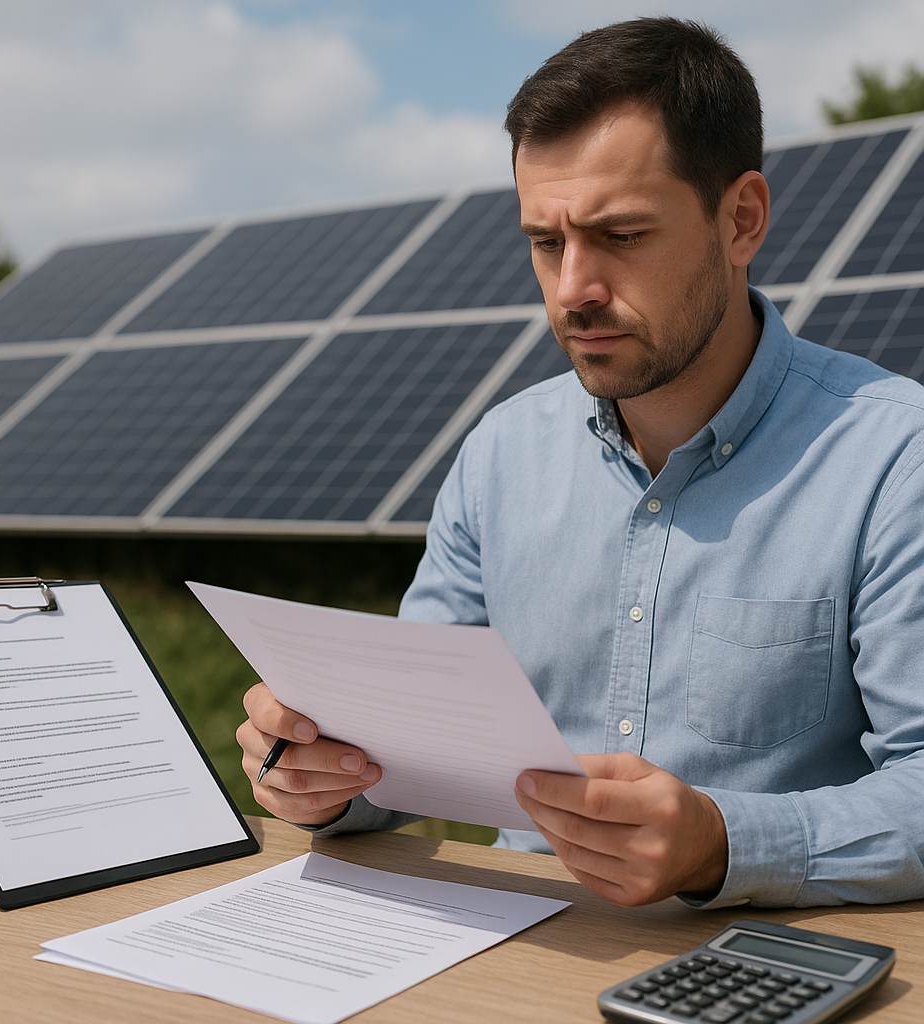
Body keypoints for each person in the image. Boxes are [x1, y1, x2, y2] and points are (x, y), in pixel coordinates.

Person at [237, 17, 924, 909]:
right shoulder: (500, 455)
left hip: (753, 972)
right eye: (547, 242)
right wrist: (328, 779)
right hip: (509, 958)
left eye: (623, 236)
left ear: (742, 219)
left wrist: (724, 844)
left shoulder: (893, 460)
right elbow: (409, 750)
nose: (573, 291)